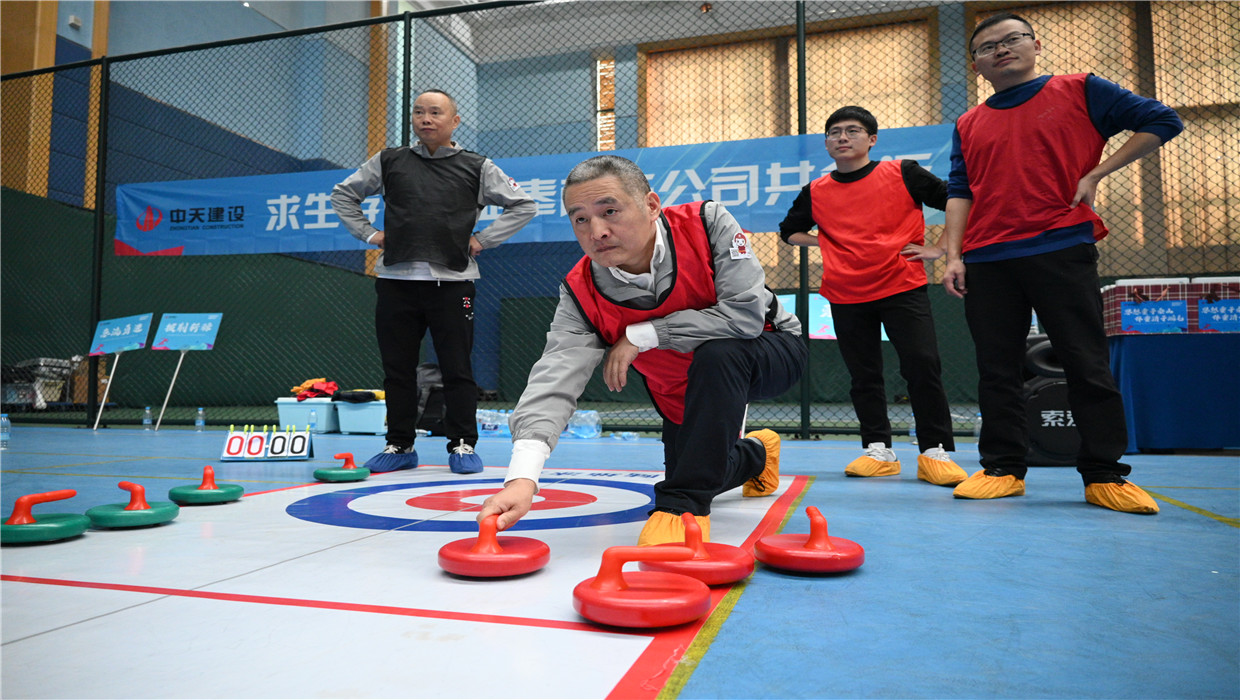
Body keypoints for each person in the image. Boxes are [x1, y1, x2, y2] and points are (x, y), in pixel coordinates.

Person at [910, 13, 1182, 513]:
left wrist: (1097, 173)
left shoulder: (1081, 89)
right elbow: (961, 191)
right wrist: (954, 255)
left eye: (1011, 39)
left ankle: (1104, 474)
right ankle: (1002, 469)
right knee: (996, 369)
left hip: (1060, 245)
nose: (1001, 49)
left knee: (1085, 361)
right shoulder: (968, 123)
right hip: (987, 258)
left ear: (1035, 45)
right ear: (976, 66)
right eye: (987, 47)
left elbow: (1163, 121)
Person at [477, 155, 807, 545]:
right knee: (702, 469)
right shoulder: (581, 291)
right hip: (680, 386)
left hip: (766, 350)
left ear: (651, 206)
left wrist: (644, 334)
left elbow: (744, 316)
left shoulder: (707, 224)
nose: (597, 231)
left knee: (717, 362)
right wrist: (522, 478)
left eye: (610, 211)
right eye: (580, 219)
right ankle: (757, 456)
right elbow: (554, 378)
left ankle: (683, 508)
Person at [331, 89, 536, 474]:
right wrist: (369, 234)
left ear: (454, 121)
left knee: (456, 368)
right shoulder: (389, 160)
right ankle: (399, 445)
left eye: (435, 112)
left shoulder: (477, 166)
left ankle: (462, 444)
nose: (425, 119)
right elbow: (344, 194)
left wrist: (483, 239)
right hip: (395, 282)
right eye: (419, 112)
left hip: (453, 284)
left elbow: (523, 205)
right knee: (398, 369)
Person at [779, 105, 967, 487]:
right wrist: (828, 243)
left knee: (922, 365)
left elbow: (956, 199)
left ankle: (935, 450)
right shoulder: (816, 190)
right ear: (827, 143)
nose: (842, 137)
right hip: (846, 293)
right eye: (834, 132)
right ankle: (878, 449)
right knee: (864, 374)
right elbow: (789, 231)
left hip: (902, 286)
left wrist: (941, 249)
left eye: (852, 130)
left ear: (872, 139)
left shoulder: (903, 172)